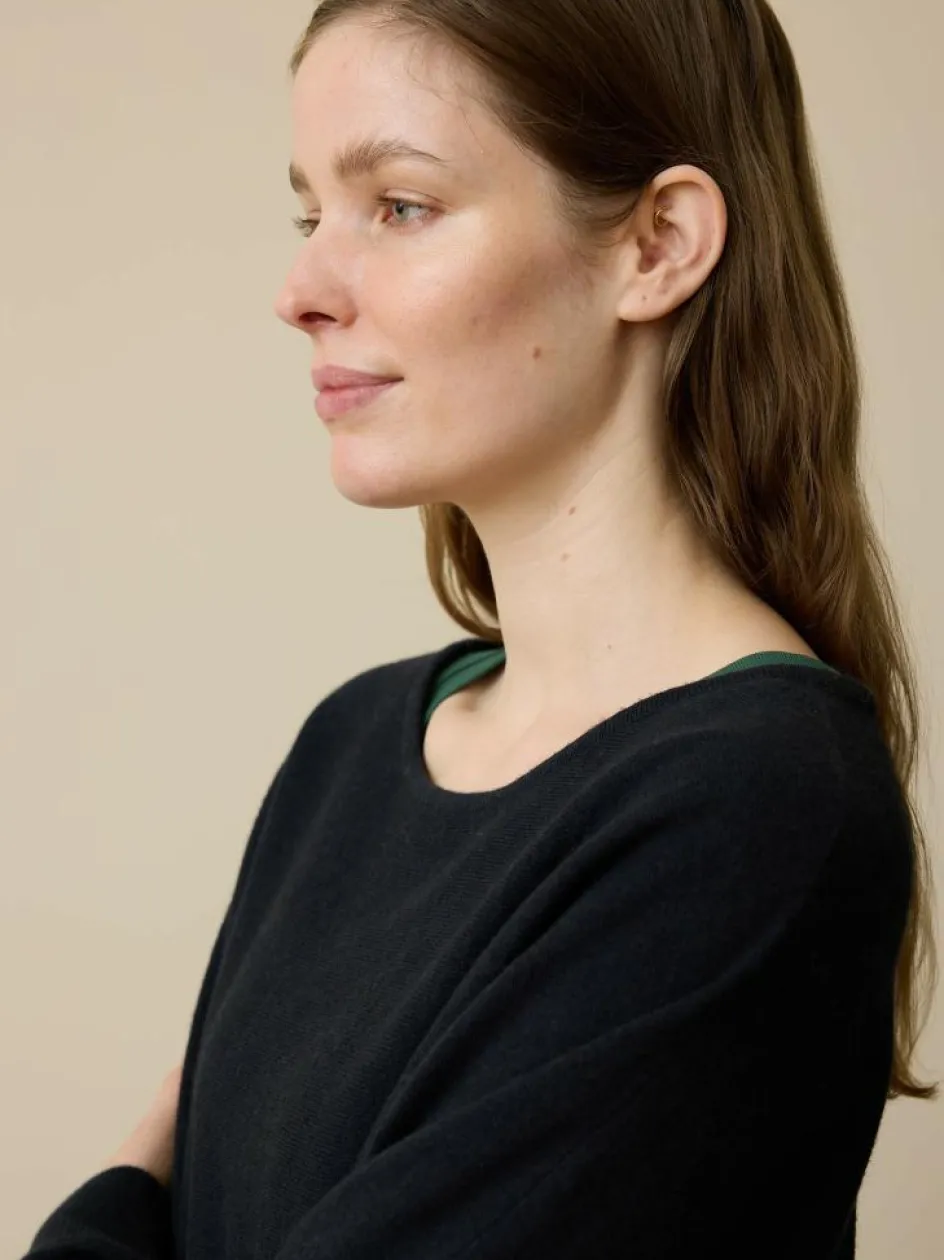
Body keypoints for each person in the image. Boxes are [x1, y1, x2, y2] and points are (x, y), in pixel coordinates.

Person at [24, 2, 938, 1258]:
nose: (300, 293)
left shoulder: (753, 807)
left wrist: (118, 1189)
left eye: (398, 206)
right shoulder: (351, 746)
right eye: (308, 216)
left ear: (656, 245)